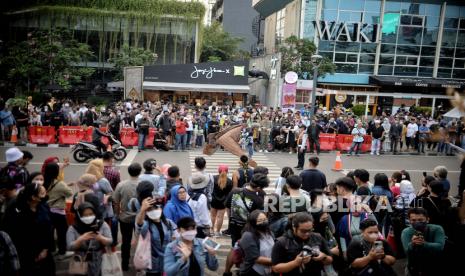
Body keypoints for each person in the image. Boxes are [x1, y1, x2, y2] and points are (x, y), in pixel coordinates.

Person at [3, 183, 56, 275]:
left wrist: (45, 249)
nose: (45, 194)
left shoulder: (43, 206)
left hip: (44, 252)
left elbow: (49, 228)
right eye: (42, 193)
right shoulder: (17, 211)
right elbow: (14, 234)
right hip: (24, 254)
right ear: (33, 197)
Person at [135, 182, 177, 276]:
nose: (154, 211)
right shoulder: (147, 225)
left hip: (167, 262)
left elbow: (175, 238)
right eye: (150, 210)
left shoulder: (168, 223)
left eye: (156, 208)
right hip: (153, 265)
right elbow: (139, 226)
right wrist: (142, 210)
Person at [66, 202, 112, 275]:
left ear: (95, 213)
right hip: (81, 261)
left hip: (99, 260)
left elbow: (110, 241)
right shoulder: (73, 228)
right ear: (79, 215)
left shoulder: (102, 224)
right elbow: (69, 247)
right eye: (85, 215)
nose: (88, 217)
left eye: (91, 214)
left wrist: (101, 238)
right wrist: (81, 239)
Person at [113, 162, 142, 271]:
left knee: (126, 241)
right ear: (140, 172)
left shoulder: (121, 185)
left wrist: (117, 214)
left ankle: (124, 264)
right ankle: (140, 264)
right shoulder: (143, 184)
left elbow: (116, 202)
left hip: (125, 217)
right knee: (142, 241)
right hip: (140, 218)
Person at [226, 173, 268, 246]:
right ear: (258, 188)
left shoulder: (234, 191)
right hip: (248, 230)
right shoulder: (258, 200)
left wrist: (231, 219)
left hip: (233, 226)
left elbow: (228, 207)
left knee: (235, 245)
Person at [401, 208, 445, 276]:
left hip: (434, 266)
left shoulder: (437, 229)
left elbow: (440, 247)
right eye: (413, 220)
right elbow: (407, 251)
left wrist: (424, 244)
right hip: (414, 268)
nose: (417, 222)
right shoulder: (406, 232)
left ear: (427, 220)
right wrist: (412, 244)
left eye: (420, 220)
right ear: (409, 221)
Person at [43, 162, 73, 260]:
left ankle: (52, 250)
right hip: (58, 212)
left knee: (49, 232)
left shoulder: (42, 182)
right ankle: (62, 253)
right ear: (56, 172)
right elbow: (69, 193)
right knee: (62, 233)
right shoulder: (59, 184)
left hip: (46, 211)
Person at [239, 210, 274, 276]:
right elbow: (255, 258)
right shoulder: (248, 236)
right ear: (253, 222)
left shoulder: (269, 232)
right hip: (253, 271)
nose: (264, 222)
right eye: (260, 220)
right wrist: (276, 261)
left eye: (265, 219)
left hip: (268, 270)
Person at [187, 173, 212, 238]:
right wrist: (207, 225)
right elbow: (203, 214)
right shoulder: (201, 197)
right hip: (200, 227)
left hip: (192, 224)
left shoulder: (189, 194)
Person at [210, 165, 233, 237]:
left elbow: (210, 189)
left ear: (218, 171)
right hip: (223, 202)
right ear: (227, 171)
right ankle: (217, 232)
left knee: (212, 216)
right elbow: (229, 193)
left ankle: (211, 230)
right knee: (220, 217)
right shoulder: (229, 181)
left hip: (213, 200)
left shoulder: (213, 178)